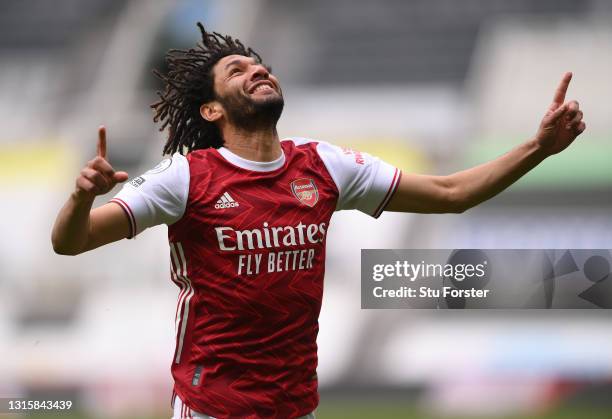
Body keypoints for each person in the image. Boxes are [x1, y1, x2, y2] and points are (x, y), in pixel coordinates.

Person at [51, 23, 585, 419]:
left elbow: (450, 193)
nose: (257, 69)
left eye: (259, 63)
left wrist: (538, 149)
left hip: (296, 405)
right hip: (213, 407)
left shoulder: (323, 165)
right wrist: (81, 198)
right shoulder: (185, 177)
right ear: (212, 111)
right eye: (236, 70)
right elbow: (69, 244)